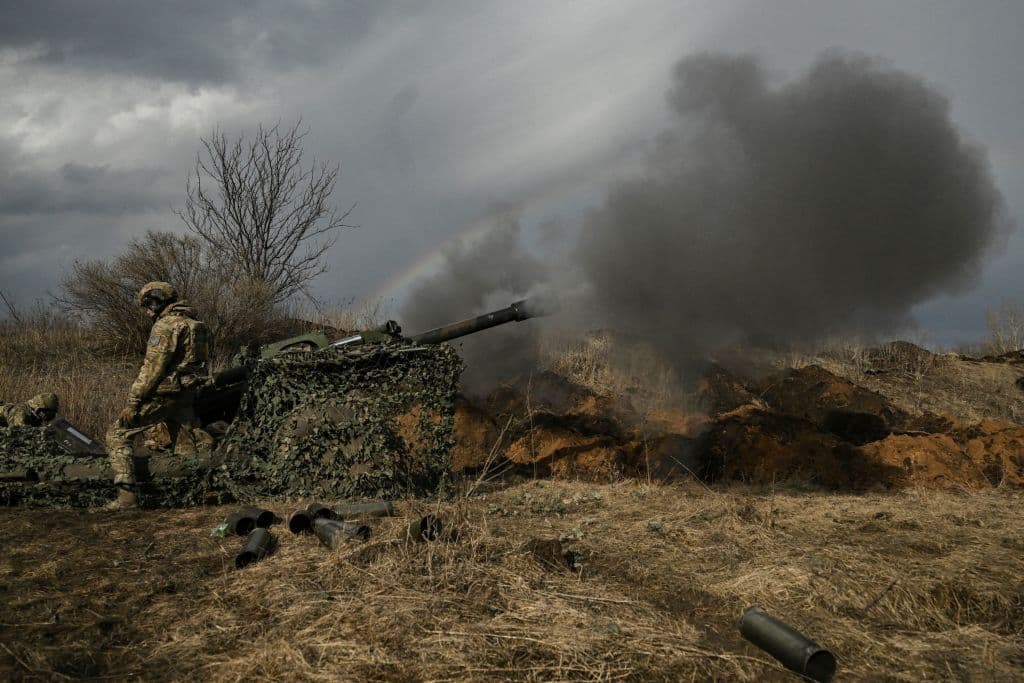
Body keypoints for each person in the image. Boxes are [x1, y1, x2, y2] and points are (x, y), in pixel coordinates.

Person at [104, 282, 211, 510]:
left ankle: (126, 499)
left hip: (165, 392)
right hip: (187, 393)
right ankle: (193, 493)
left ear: (157, 301)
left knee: (117, 433)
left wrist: (134, 401)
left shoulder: (166, 326)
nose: (147, 311)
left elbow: (153, 369)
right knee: (185, 443)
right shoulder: (196, 325)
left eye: (148, 305)